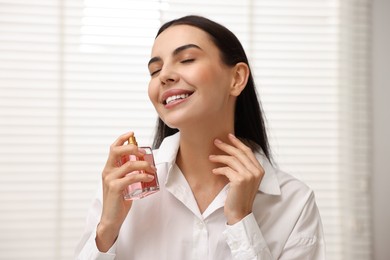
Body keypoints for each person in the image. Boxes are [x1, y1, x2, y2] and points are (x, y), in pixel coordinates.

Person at [75, 15, 325, 259]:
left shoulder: (295, 203)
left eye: (186, 59)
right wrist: (107, 228)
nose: (164, 76)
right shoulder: (124, 188)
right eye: (155, 70)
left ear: (236, 78)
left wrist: (241, 221)